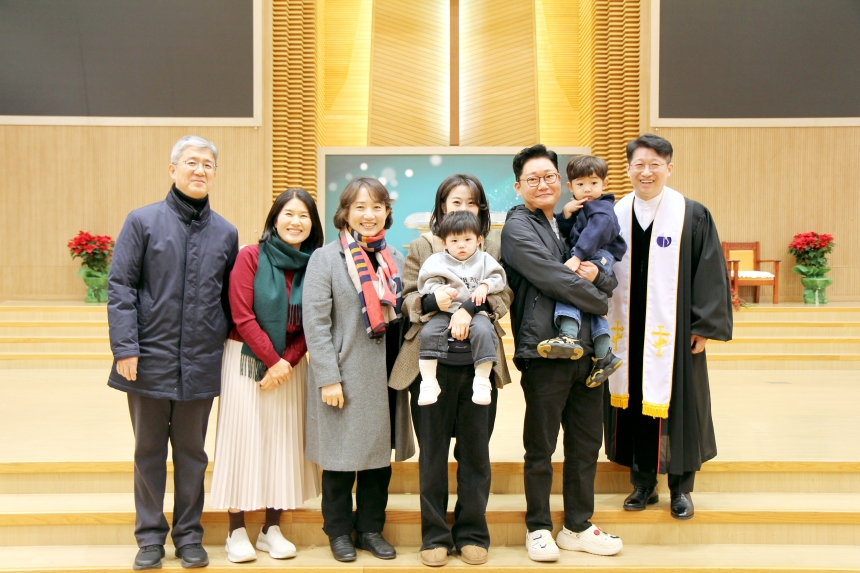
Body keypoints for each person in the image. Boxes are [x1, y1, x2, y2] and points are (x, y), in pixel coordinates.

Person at [107, 135, 239, 571]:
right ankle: (149, 538)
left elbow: (228, 299)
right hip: (147, 358)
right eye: (191, 162)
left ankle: (188, 536)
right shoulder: (142, 221)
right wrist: (126, 347)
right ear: (173, 169)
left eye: (207, 164)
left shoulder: (226, 232)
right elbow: (121, 287)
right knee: (148, 450)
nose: (199, 170)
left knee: (192, 454)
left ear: (214, 174)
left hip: (201, 361)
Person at [501, 144, 623, 563]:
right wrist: (600, 298)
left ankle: (577, 526)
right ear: (518, 186)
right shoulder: (517, 226)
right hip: (544, 351)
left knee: (587, 443)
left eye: (549, 176)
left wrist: (599, 276)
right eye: (533, 178)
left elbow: (606, 270)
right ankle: (538, 527)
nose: (543, 184)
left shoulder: (573, 220)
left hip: (588, 351)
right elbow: (553, 277)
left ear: (561, 181)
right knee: (541, 445)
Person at [605, 134, 733, 520]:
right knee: (634, 403)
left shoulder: (691, 214)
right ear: (628, 169)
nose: (646, 172)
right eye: (639, 165)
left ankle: (681, 487)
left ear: (669, 168)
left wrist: (703, 325)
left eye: (655, 165)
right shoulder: (612, 216)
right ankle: (643, 482)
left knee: (679, 403)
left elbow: (709, 272)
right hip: (626, 329)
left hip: (673, 333)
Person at [389, 173, 513, 567]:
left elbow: (505, 294)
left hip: (479, 363)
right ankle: (435, 536)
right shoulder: (423, 246)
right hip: (431, 363)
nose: (463, 209)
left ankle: (473, 533)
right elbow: (407, 298)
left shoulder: (490, 246)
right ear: (442, 207)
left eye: (471, 203)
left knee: (476, 453)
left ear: (481, 210)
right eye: (455, 202)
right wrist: (434, 303)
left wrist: (469, 309)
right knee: (433, 455)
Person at [303, 177, 414, 563]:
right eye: (361, 207)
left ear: (387, 212)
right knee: (339, 459)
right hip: (345, 374)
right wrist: (328, 377)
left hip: (386, 373)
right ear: (346, 212)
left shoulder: (395, 257)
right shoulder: (326, 258)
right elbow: (315, 323)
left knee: (378, 460)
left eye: (377, 206)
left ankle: (370, 529)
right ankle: (338, 532)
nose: (369, 214)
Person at [210, 189, 323, 562]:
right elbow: (242, 315)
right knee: (242, 441)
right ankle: (235, 531)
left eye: (304, 215)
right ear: (274, 219)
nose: (295, 221)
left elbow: (315, 321)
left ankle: (270, 529)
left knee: (283, 444)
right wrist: (273, 361)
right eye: (288, 213)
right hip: (246, 360)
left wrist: (286, 361)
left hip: (289, 367)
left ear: (313, 224)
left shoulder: (314, 264)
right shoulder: (251, 256)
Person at [538, 155, 626, 388]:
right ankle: (604, 354)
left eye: (594, 183)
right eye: (580, 184)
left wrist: (577, 257)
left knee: (571, 287)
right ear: (570, 186)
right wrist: (567, 214)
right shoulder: (584, 207)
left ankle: (568, 334)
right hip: (594, 256)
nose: (587, 189)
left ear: (605, 183)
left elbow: (593, 235)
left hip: (596, 255)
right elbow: (568, 232)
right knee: (591, 306)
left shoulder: (602, 209)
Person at [416, 210, 506, 406]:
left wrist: (485, 286)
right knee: (429, 333)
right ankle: (429, 382)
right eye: (454, 240)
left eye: (467, 239)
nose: (461, 245)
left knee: (484, 331)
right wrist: (439, 290)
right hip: (445, 310)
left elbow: (499, 278)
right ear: (444, 242)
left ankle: (482, 380)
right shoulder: (436, 261)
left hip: (476, 312)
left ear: (479, 239)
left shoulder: (485, 259)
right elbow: (425, 282)